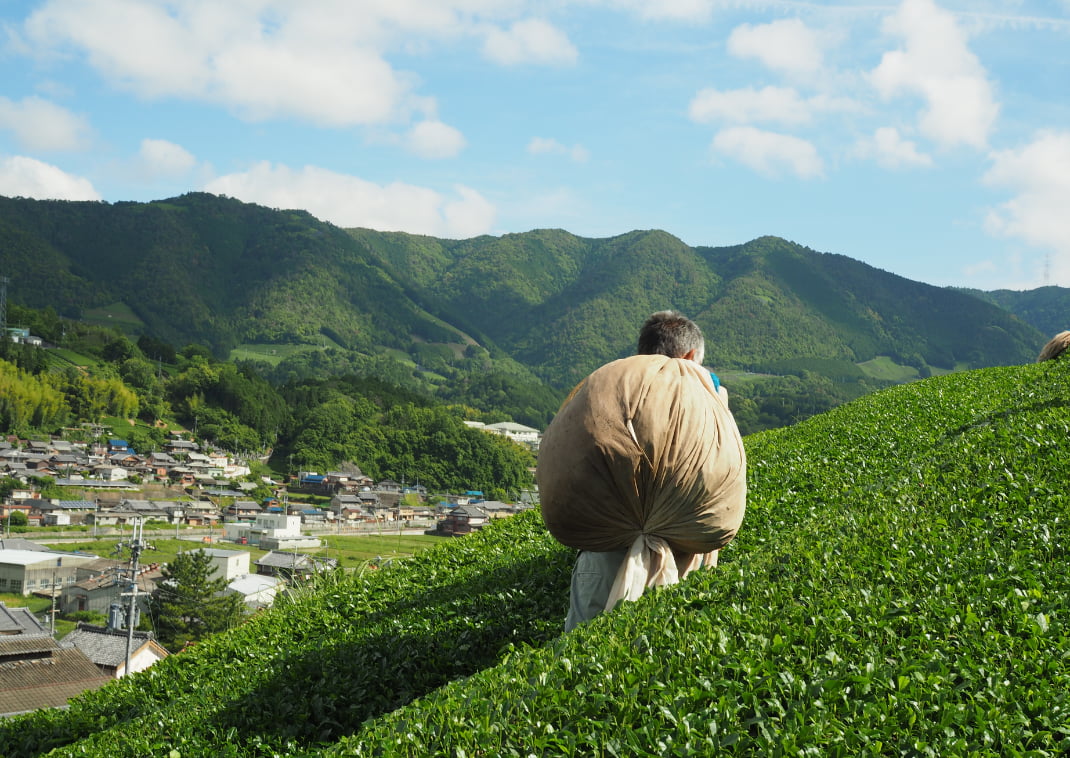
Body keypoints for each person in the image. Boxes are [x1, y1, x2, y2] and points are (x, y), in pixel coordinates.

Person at [563, 310, 728, 631]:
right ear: (690, 356)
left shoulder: (610, 387)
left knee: (577, 666)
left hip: (601, 556)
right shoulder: (707, 395)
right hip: (678, 561)